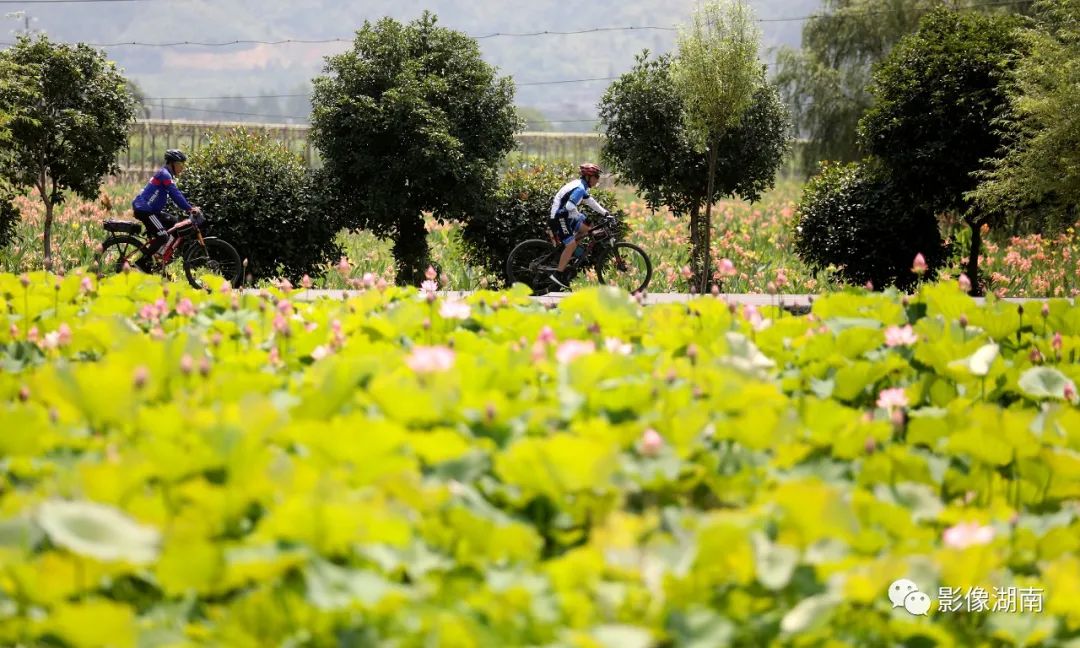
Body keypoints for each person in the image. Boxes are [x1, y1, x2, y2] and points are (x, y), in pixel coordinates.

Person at [131, 149, 200, 271]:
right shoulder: (164, 174)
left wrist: (188, 207)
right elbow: (175, 194)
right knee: (163, 237)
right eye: (180, 165)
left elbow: (175, 195)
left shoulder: (166, 174)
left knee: (174, 222)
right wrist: (189, 209)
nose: (182, 168)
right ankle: (142, 262)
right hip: (146, 210)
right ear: (172, 164)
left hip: (152, 211)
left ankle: (161, 254)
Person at [548, 162, 610, 290]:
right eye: (596, 177)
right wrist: (577, 216)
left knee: (587, 227)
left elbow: (590, 201)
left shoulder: (582, 186)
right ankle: (557, 274)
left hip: (565, 215)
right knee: (570, 244)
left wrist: (605, 213)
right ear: (589, 177)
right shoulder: (580, 188)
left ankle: (572, 253)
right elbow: (570, 207)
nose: (597, 180)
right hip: (559, 217)